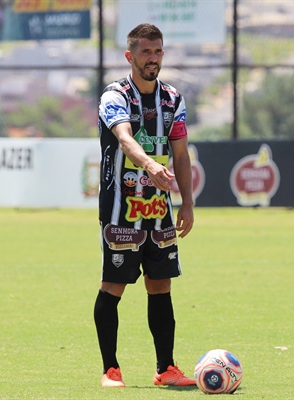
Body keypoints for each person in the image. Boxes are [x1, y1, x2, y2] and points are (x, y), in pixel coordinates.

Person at [94, 23, 195, 388]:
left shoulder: (172, 100)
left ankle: (165, 368)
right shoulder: (114, 95)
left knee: (161, 286)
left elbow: (181, 155)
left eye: (158, 52)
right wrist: (151, 164)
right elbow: (123, 138)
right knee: (113, 286)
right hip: (121, 209)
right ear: (130, 56)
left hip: (160, 210)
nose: (153, 59)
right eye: (146, 52)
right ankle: (110, 369)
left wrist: (187, 203)